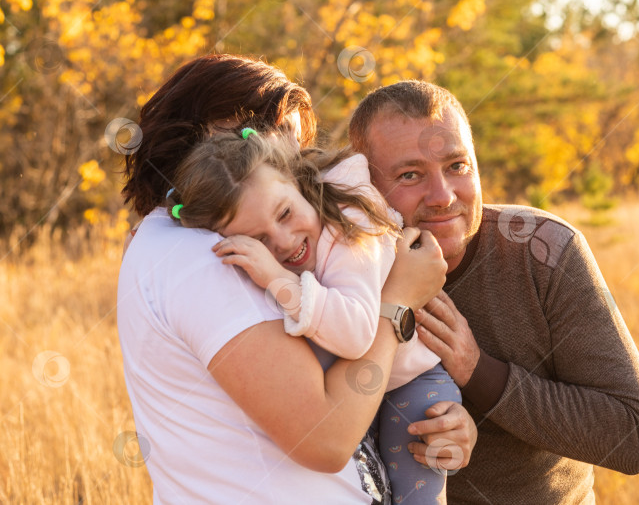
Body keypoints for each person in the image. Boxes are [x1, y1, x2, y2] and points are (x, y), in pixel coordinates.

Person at [118, 55, 477, 503]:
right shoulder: (203, 254)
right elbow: (326, 438)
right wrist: (399, 298)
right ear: (202, 132)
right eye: (274, 133)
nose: (291, 162)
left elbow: (335, 393)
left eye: (295, 141)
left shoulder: (217, 235)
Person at [348, 80, 639, 504]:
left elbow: (630, 436)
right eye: (410, 174)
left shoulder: (545, 251)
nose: (443, 196)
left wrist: (477, 370)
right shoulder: (341, 269)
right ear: (363, 185)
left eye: (457, 166)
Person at [166, 128, 462, 504]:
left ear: (295, 180)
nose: (285, 241)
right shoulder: (298, 224)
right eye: (257, 240)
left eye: (285, 213)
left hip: (413, 383)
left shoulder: (352, 229)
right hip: (360, 390)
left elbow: (355, 334)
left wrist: (276, 278)